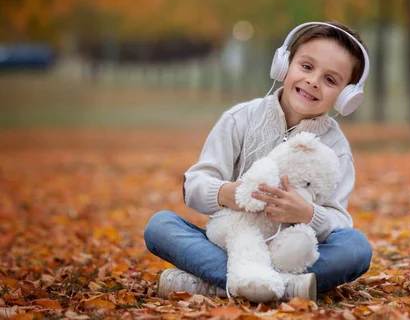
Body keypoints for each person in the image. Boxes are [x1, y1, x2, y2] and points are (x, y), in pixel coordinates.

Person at [144, 21, 373, 302]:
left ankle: (224, 283)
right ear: (284, 65)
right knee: (160, 226)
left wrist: (308, 214)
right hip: (232, 243)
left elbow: (339, 222)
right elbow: (194, 186)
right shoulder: (239, 119)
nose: (313, 81)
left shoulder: (335, 147)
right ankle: (286, 287)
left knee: (357, 248)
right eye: (306, 66)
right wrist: (231, 194)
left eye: (330, 80)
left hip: (294, 253)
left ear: (345, 96)